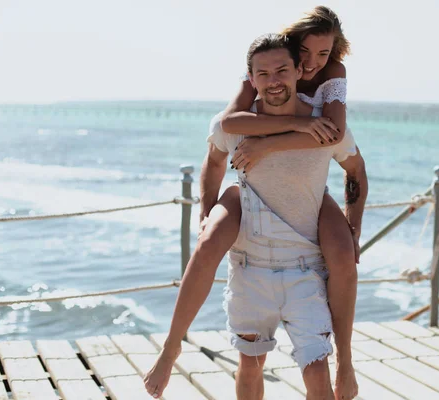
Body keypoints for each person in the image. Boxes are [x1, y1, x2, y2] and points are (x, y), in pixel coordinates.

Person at [144, 33, 367, 400]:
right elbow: (214, 162)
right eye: (263, 74)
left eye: (282, 70)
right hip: (251, 265)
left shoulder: (325, 129)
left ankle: (346, 361)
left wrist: (352, 227)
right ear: (251, 79)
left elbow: (356, 171)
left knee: (317, 373)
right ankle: (171, 348)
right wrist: (206, 211)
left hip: (305, 267)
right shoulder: (231, 125)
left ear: (299, 70)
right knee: (250, 364)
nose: (274, 80)